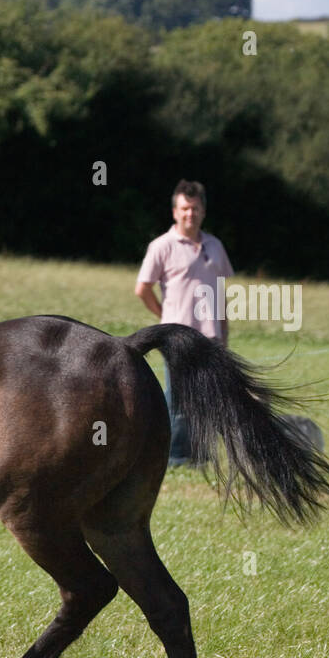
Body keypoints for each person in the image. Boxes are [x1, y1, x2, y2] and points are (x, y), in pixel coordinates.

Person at [134, 179, 235, 467]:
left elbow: (220, 291)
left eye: (195, 208)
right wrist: (166, 319)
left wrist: (223, 332)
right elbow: (143, 288)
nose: (190, 214)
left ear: (203, 211)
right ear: (175, 212)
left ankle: (199, 455)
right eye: (185, 208)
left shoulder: (215, 246)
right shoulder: (162, 246)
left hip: (210, 336)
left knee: (205, 397)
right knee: (177, 399)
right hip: (177, 337)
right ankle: (172, 457)